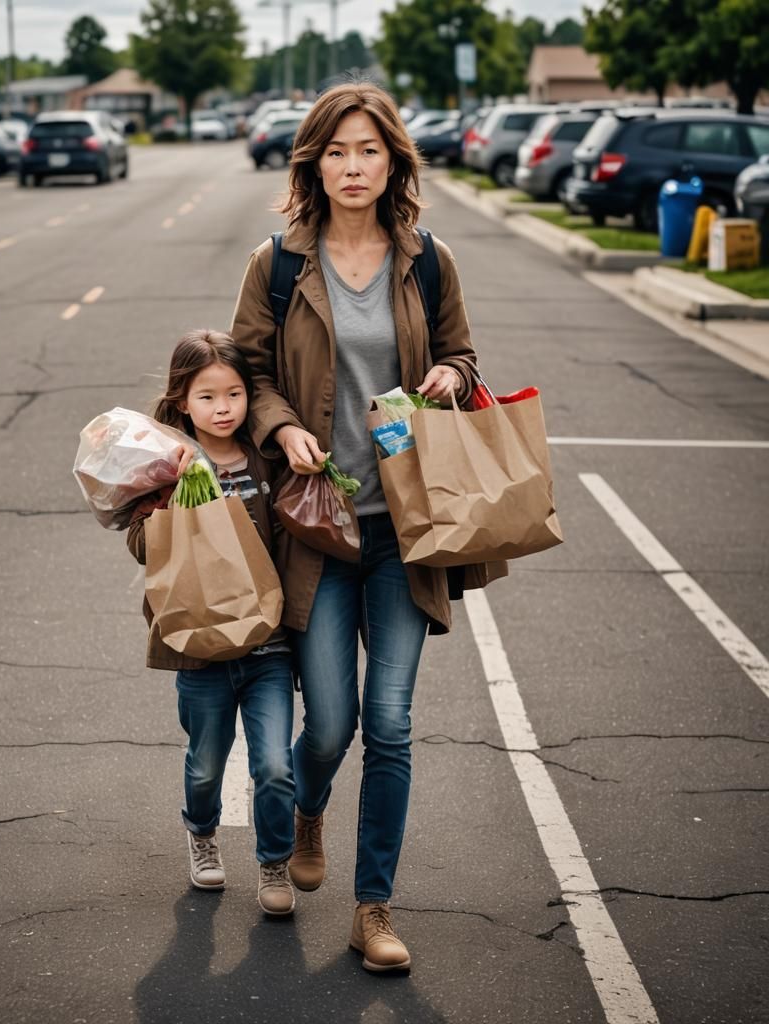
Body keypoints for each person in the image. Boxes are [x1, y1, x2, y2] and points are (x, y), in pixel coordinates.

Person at [230, 83, 507, 970]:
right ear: (314, 162)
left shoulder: (428, 260)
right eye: (338, 152)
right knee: (330, 725)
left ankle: (374, 909)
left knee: (390, 723)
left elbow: (463, 351)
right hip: (317, 528)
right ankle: (307, 810)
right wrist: (279, 425)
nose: (354, 168)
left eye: (370, 152)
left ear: (395, 162)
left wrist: (452, 380)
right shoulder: (278, 264)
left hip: (402, 529)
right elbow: (247, 367)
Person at [126, 329, 297, 917]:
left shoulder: (264, 461)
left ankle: (275, 860)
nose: (223, 408)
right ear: (181, 402)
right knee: (205, 763)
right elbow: (140, 546)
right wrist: (167, 499)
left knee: (274, 764)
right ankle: (202, 832)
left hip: (267, 644)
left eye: (234, 394)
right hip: (199, 649)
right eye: (206, 397)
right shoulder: (165, 466)